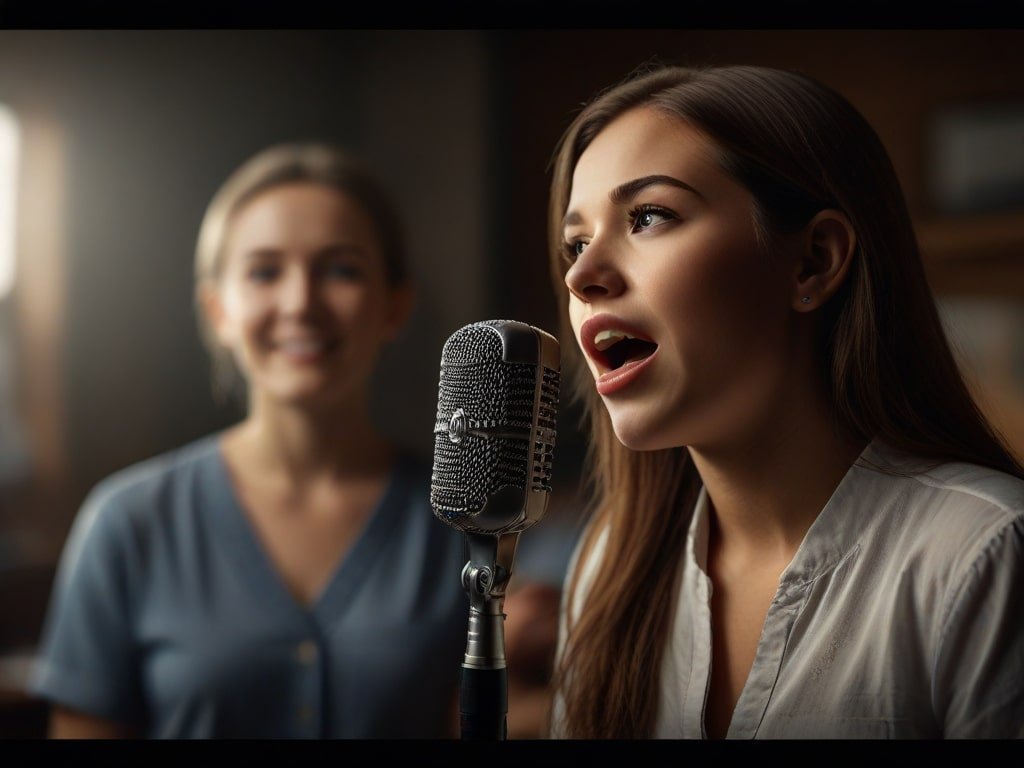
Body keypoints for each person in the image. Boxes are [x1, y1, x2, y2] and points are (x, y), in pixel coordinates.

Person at [544, 63, 1024, 739]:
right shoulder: (606, 569)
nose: (582, 275)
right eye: (575, 242)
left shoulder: (985, 556)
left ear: (814, 261)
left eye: (649, 216)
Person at [28, 142, 473, 738]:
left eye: (341, 269)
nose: (300, 304)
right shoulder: (127, 522)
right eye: (264, 272)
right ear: (217, 311)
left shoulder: (463, 526)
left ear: (396, 304)